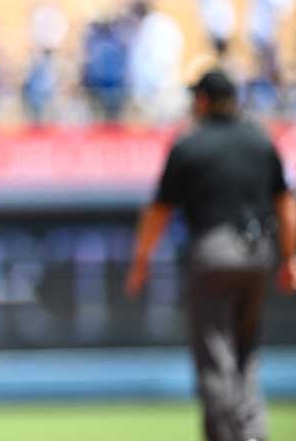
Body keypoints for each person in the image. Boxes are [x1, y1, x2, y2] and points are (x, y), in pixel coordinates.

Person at [126, 68, 296, 441]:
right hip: (257, 253)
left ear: (203, 100)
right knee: (247, 353)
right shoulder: (260, 140)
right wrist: (290, 258)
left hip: (213, 253)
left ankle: (224, 436)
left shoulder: (190, 144)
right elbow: (285, 205)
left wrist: (141, 261)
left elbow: (158, 212)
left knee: (216, 356)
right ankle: (252, 434)